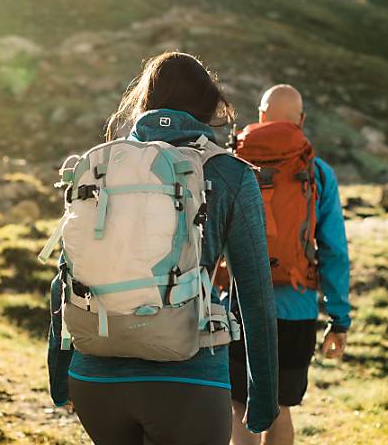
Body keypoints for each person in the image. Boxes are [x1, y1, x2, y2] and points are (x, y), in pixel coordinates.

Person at [46, 52, 280, 445]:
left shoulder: (102, 167)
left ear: (143, 104)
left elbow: (65, 277)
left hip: (95, 376)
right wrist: (263, 402)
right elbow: (254, 295)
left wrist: (60, 376)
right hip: (189, 378)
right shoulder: (229, 173)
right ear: (210, 108)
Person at [227, 85, 351, 445]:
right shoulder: (319, 172)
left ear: (262, 116)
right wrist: (338, 318)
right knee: (280, 408)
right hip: (296, 310)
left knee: (240, 405)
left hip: (239, 305)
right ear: (301, 120)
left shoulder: (232, 162)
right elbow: (334, 252)